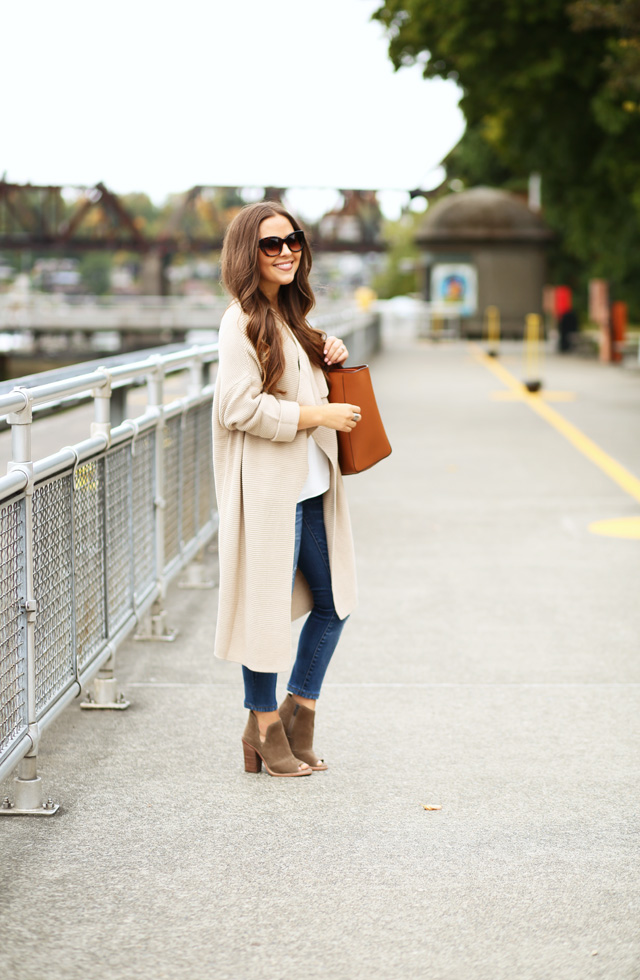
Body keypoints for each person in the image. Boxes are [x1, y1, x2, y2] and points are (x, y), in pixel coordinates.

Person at [213, 201, 360, 777]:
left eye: (292, 240)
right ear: (248, 254)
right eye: (270, 244)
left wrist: (332, 354)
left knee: (334, 603)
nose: (285, 252)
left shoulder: (291, 316)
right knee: (266, 612)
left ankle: (299, 708)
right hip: (272, 492)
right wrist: (315, 416)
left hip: (313, 485)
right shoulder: (240, 321)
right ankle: (263, 725)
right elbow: (237, 407)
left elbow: (302, 383)